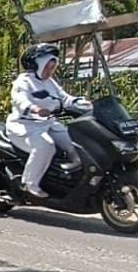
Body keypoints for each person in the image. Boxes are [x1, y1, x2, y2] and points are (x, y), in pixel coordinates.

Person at [7, 43, 87, 199]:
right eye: (47, 67)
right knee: (46, 146)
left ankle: (74, 178)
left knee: (75, 143)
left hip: (49, 124)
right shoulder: (23, 82)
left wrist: (82, 102)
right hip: (25, 127)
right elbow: (20, 100)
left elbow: (65, 98)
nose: (50, 71)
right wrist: (35, 109)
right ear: (38, 65)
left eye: (53, 67)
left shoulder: (50, 82)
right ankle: (29, 184)